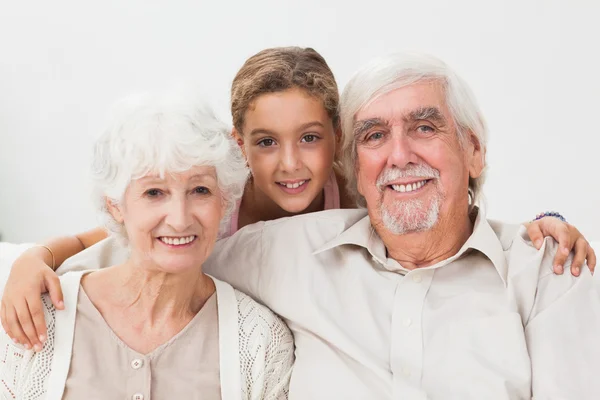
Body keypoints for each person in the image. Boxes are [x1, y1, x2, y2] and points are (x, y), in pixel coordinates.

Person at [1, 47, 596, 352]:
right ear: (238, 148)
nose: (290, 164)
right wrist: (34, 259)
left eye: (310, 139)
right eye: (265, 143)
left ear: (336, 140)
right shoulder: (213, 217)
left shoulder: (364, 198)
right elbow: (123, 243)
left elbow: (440, 212)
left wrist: (549, 224)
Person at [0, 92, 294, 399]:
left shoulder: (261, 341)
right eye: (155, 193)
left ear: (224, 200)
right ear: (115, 205)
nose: (180, 219)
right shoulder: (37, 315)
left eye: (200, 190)